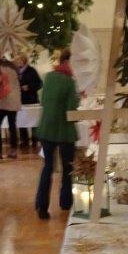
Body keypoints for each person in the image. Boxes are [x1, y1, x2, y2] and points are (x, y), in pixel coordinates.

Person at [34, 48, 80, 220]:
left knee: (47, 167)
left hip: (46, 128)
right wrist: (78, 99)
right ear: (68, 62)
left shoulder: (48, 77)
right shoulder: (69, 82)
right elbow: (71, 110)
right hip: (64, 130)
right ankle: (66, 202)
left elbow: (43, 100)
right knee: (68, 167)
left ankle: (41, 205)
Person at [0, 57, 21, 159]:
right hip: (14, 101)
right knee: (12, 126)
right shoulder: (14, 69)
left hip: (3, 101)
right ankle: (13, 150)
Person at [16, 53, 43, 149]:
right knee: (21, 120)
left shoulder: (32, 71)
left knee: (33, 120)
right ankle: (24, 140)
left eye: (19, 60)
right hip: (20, 100)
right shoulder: (16, 71)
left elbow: (39, 84)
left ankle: (35, 139)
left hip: (31, 99)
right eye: (17, 60)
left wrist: (29, 87)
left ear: (24, 60)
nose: (18, 62)